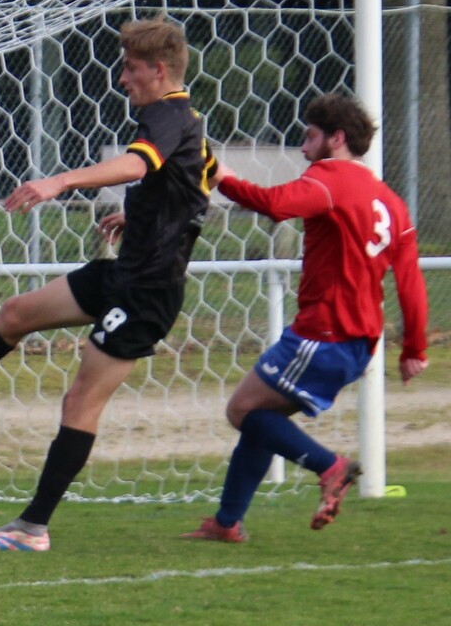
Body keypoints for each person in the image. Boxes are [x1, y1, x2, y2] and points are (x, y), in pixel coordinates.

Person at [0, 16, 214, 552]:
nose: (122, 79)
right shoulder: (176, 121)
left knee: (79, 402)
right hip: (123, 274)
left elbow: (139, 165)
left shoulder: (169, 113)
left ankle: (32, 528)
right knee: (15, 315)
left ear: (159, 70)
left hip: (147, 292)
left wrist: (61, 180)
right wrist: (140, 219)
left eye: (130, 68)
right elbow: (198, 184)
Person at [182, 93, 428, 542]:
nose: (303, 147)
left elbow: (274, 203)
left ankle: (329, 467)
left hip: (324, 332)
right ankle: (227, 522)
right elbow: (410, 280)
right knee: (263, 418)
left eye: (310, 136)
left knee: (241, 410)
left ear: (336, 139)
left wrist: (219, 175)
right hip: (358, 344)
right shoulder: (391, 202)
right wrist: (414, 349)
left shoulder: (329, 180)